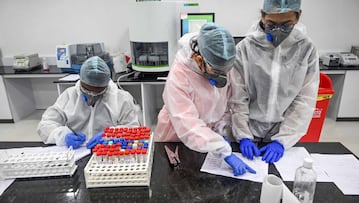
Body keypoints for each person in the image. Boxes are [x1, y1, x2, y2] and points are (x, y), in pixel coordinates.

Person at [155, 23, 256, 176]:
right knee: (178, 181)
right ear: (199, 58)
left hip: (209, 138)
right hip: (177, 138)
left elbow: (232, 102)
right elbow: (187, 124)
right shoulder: (179, 75)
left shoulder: (223, 61)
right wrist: (222, 149)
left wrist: (234, 133)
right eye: (216, 71)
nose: (223, 76)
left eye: (226, 70)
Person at [229, 0, 319, 164]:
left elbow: (305, 99)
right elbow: (237, 96)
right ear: (262, 16)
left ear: (298, 17)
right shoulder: (246, 48)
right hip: (249, 129)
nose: (278, 30)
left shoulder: (306, 49)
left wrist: (282, 140)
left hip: (283, 131)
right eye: (271, 23)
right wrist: (243, 135)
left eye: (286, 24)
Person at [37, 56, 139, 149]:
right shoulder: (69, 96)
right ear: (81, 80)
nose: (92, 95)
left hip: (109, 152)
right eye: (87, 89)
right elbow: (45, 125)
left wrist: (112, 135)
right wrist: (63, 136)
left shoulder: (122, 98)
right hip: (76, 152)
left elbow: (134, 129)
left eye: (98, 91)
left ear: (107, 84)